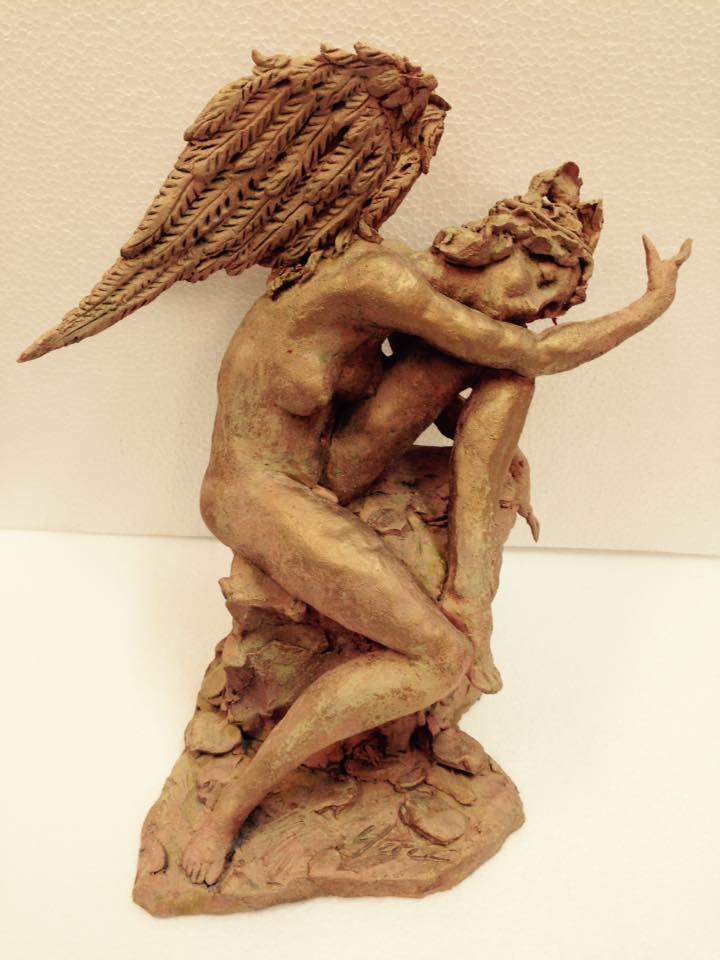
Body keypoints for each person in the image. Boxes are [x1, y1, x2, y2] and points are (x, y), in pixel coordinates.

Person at [180, 165, 691, 884]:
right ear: (496, 243)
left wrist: (493, 455)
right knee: (437, 658)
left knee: (508, 376)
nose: (536, 304)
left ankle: (466, 594)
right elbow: (539, 350)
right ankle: (232, 807)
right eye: (540, 277)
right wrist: (652, 304)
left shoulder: (410, 302)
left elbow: (496, 368)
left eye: (554, 298)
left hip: (330, 467)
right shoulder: (379, 278)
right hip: (255, 488)